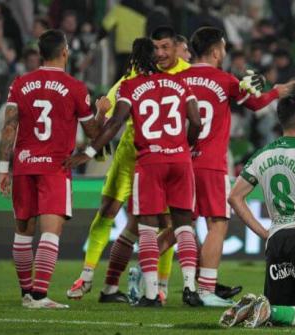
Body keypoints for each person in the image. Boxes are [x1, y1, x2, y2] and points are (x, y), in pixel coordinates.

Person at [153, 26, 294, 306]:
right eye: (224, 48)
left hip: (179, 162)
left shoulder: (176, 79)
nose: (225, 52)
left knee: (182, 224)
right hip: (210, 164)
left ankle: (140, 269)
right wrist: (275, 92)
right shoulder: (225, 80)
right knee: (217, 222)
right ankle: (205, 290)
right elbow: (254, 104)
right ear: (216, 50)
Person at [66, 37, 201, 308]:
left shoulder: (130, 85)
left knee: (146, 226)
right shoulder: (181, 82)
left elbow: (114, 122)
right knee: (181, 223)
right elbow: (197, 122)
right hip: (178, 159)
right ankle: (189, 287)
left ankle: (151, 292)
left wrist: (89, 152)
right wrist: (186, 146)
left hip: (147, 161)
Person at [0, 29, 105, 308]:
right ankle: (39, 295)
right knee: (50, 231)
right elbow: (93, 131)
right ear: (64, 51)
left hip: (23, 165)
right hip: (54, 166)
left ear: (40, 54)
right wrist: (101, 113)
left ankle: (26, 294)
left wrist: (2, 167)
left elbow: (10, 126)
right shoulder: (75, 87)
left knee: (23, 231)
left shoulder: (20, 84)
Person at [223, 95, 295, 328]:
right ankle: (268, 310)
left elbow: (234, 198)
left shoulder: (261, 154)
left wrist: (265, 233)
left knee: (285, 317)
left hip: (276, 241)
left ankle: (256, 310)